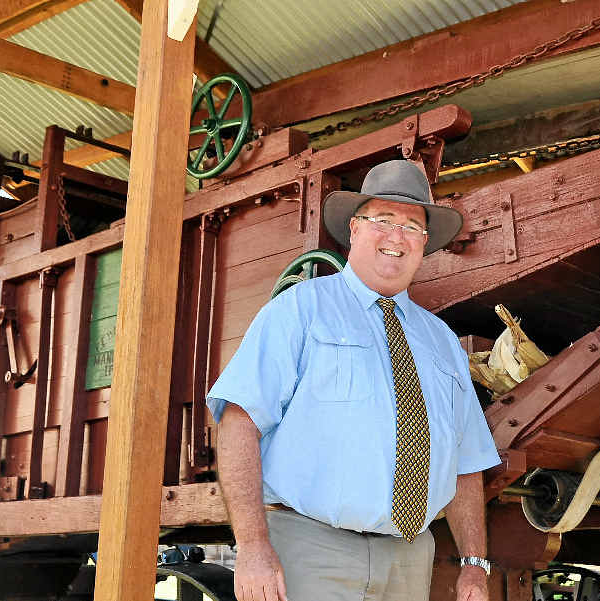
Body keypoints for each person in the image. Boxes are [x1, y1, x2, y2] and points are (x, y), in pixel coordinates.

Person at [206, 159, 500, 601]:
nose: (396, 237)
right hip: (310, 549)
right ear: (354, 229)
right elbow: (239, 422)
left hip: (407, 559)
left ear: (424, 244)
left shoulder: (440, 340)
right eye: (383, 220)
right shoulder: (301, 309)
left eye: (412, 227)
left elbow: (466, 463)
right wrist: (251, 546)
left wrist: (474, 564)